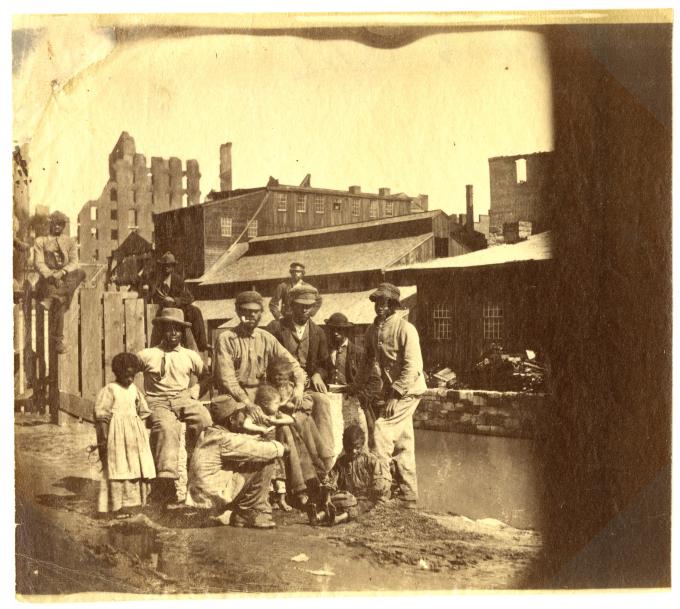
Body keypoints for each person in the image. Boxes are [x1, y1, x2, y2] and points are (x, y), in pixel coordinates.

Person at [352, 283, 426, 509]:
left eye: (384, 303)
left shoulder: (405, 329)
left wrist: (395, 395)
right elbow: (366, 363)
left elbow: (413, 366)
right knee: (403, 441)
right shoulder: (372, 330)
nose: (379, 307)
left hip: (409, 389)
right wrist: (354, 387)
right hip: (394, 391)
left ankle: (381, 492)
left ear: (393, 305)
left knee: (382, 431)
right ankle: (408, 495)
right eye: (376, 303)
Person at [136, 308, 212, 507]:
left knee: (205, 419)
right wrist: (138, 398)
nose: (174, 334)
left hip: (183, 398)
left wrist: (195, 390)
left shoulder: (190, 355)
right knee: (167, 428)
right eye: (169, 329)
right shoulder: (147, 354)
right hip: (157, 400)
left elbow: (208, 377)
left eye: (178, 330)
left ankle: (198, 473)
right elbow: (125, 373)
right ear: (161, 330)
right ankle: (166, 486)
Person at [188, 396, 286, 528]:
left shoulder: (208, 433)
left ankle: (235, 512)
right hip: (212, 499)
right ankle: (248, 512)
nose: (243, 418)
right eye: (240, 415)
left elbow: (240, 441)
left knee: (252, 456)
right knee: (266, 457)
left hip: (201, 499)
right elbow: (260, 450)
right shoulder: (225, 439)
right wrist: (281, 447)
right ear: (231, 419)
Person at [213, 290, 307, 422]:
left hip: (262, 394)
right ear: (238, 312)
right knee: (246, 422)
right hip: (236, 398)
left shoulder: (266, 338)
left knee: (301, 412)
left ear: (261, 313)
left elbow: (293, 364)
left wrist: (299, 387)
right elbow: (228, 380)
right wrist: (248, 404)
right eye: (246, 311)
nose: (252, 314)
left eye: (256, 311)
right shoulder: (226, 339)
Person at [93, 352, 156, 518]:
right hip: (117, 436)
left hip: (134, 436)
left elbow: (143, 410)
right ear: (117, 373)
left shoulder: (134, 389)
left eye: (132, 376)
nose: (129, 379)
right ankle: (117, 506)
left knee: (135, 466)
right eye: (126, 375)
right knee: (118, 467)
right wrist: (104, 439)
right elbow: (101, 416)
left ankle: (133, 504)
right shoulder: (110, 389)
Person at [265, 358, 334, 508]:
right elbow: (269, 407)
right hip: (281, 426)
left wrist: (293, 405)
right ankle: (300, 488)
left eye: (283, 377)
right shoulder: (269, 390)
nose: (280, 380)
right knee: (291, 435)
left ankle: (317, 481)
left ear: (289, 377)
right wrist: (282, 409)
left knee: (304, 426)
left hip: (295, 421)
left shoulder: (293, 388)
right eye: (276, 377)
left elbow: (306, 401)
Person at [307, 425, 390, 526]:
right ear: (345, 446)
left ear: (362, 445)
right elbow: (331, 479)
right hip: (348, 496)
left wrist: (373, 493)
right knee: (335, 502)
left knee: (362, 506)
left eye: (357, 448)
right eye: (349, 448)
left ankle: (338, 519)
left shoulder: (370, 460)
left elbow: (379, 483)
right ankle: (318, 516)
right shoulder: (342, 462)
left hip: (367, 497)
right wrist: (328, 497)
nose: (353, 451)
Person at [33, 211, 86, 353]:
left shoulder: (70, 241)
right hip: (48, 280)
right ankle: (58, 341)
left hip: (64, 277)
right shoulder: (40, 241)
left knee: (81, 273)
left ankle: (54, 297)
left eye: (61, 224)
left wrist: (62, 272)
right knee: (60, 303)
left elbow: (75, 262)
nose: (58, 226)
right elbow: (38, 263)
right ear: (50, 223)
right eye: (55, 223)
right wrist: (51, 275)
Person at [242, 384, 295, 511]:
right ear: (265, 404)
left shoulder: (276, 414)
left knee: (280, 476)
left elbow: (290, 419)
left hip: (276, 452)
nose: (279, 405)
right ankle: (270, 500)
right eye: (276, 403)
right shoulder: (258, 414)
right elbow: (246, 424)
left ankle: (282, 500)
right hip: (263, 453)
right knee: (267, 479)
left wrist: (277, 422)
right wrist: (260, 428)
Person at [146, 252, 210, 353]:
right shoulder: (155, 279)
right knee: (158, 327)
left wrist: (175, 300)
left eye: (169, 265)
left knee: (195, 311)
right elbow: (138, 281)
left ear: (173, 267)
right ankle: (152, 350)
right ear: (161, 266)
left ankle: (203, 345)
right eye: (164, 265)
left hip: (178, 310)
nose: (166, 267)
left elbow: (190, 297)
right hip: (163, 311)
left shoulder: (178, 280)